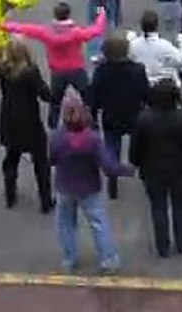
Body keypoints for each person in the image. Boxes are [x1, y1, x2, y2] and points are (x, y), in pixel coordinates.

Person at [50, 87, 133, 273]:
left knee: (65, 223)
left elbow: (53, 159)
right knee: (98, 222)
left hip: (64, 186)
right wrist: (126, 170)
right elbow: (108, 166)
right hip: (89, 187)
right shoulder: (92, 140)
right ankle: (108, 259)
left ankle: (69, 259)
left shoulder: (58, 138)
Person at [129, 79, 182, 258]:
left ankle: (162, 246)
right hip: (180, 169)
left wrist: (135, 162)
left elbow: (136, 147)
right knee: (180, 206)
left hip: (152, 170)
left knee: (158, 208)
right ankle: (181, 243)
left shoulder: (144, 119)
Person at [3, 4, 106, 128]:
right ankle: (92, 123)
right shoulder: (76, 33)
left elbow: (24, 28)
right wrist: (101, 14)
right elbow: (97, 30)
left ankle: (53, 124)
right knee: (87, 98)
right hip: (77, 70)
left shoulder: (46, 32)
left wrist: (3, 25)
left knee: (55, 101)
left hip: (58, 72)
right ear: (68, 15)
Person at [0, 38, 54, 212]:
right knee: (41, 162)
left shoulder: (3, 70)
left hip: (9, 118)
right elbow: (44, 93)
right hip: (30, 120)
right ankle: (45, 200)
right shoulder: (30, 72)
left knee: (11, 158)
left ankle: (10, 194)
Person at [90, 32, 150, 199]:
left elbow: (93, 97)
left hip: (111, 116)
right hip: (134, 115)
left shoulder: (101, 72)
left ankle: (113, 179)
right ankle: (142, 171)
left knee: (112, 147)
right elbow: (145, 92)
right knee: (141, 146)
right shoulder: (138, 70)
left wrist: (93, 117)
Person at [127, 10, 182, 87]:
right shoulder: (164, 45)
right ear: (157, 25)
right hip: (164, 86)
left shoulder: (133, 44)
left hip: (142, 84)